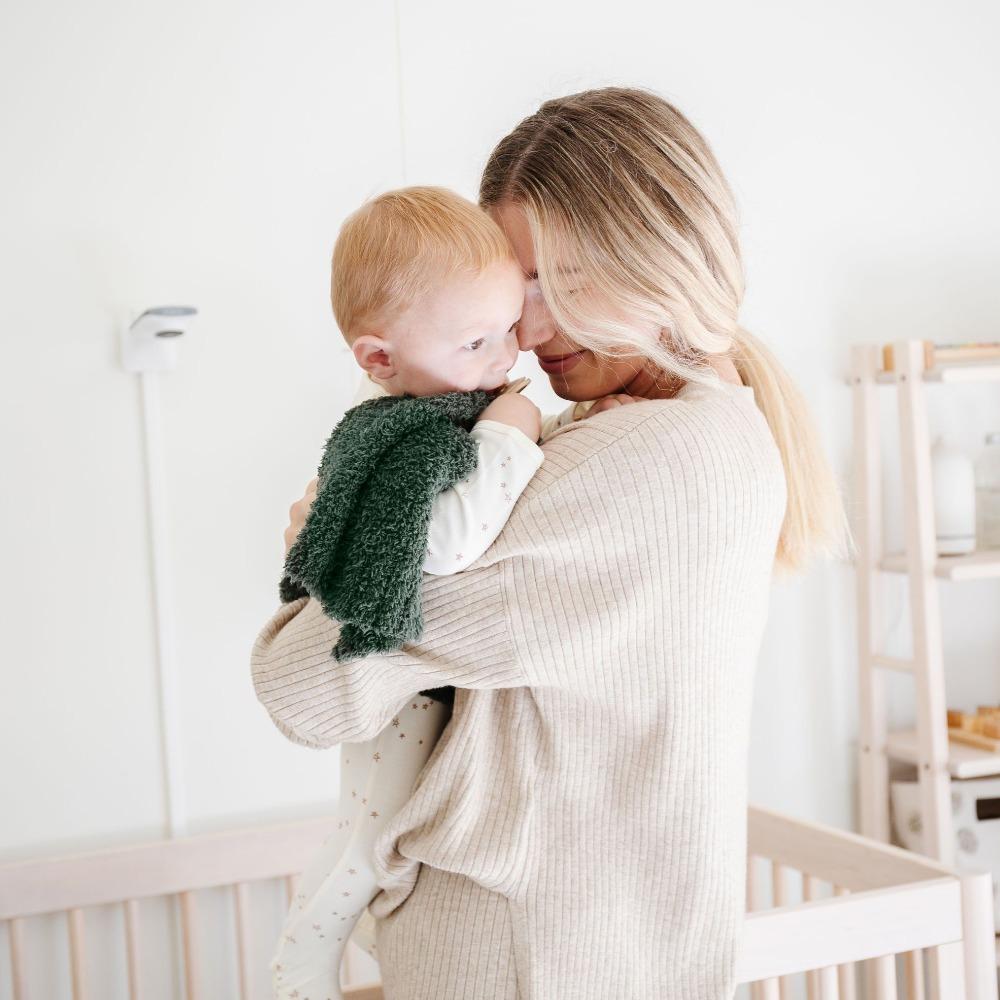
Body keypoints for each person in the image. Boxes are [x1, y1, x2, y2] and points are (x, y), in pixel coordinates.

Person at [251, 86, 848, 999]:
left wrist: (326, 534)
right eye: (511, 287)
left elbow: (306, 689)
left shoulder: (647, 465)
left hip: (529, 952)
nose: (524, 331)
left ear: (650, 252)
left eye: (551, 280)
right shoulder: (695, 432)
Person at [269, 186, 610, 1000]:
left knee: (382, 835)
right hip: (389, 693)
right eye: (476, 342)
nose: (507, 359)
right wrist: (513, 432)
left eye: (505, 332)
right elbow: (452, 543)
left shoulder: (436, 406)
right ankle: (298, 971)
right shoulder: (404, 435)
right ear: (378, 358)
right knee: (369, 839)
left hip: (413, 693)